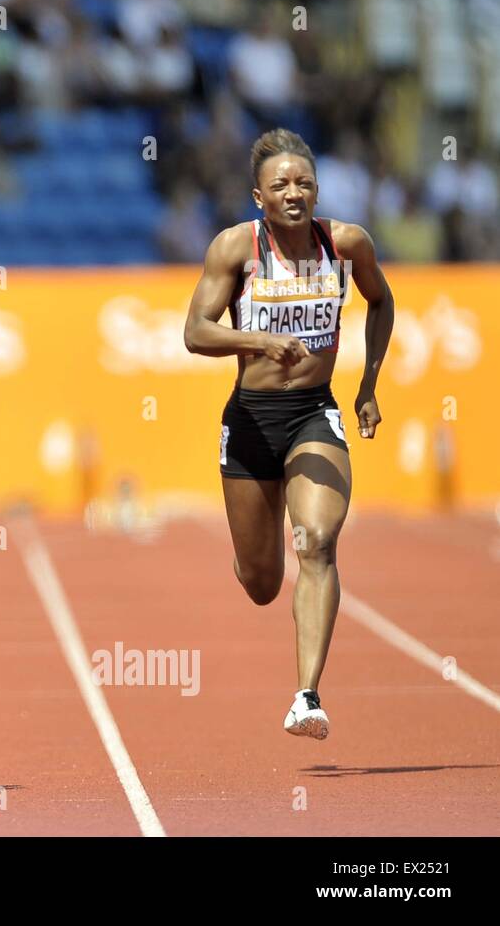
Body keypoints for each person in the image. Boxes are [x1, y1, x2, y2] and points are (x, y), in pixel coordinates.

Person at [183, 129, 394, 739]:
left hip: (313, 416)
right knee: (261, 583)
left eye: (303, 182)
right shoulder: (235, 250)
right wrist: (259, 339)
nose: (293, 193)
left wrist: (368, 385)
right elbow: (195, 332)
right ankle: (251, 552)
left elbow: (381, 303)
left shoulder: (346, 244)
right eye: (280, 185)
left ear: (318, 189)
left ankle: (307, 696)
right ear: (259, 196)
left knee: (319, 542)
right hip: (250, 422)